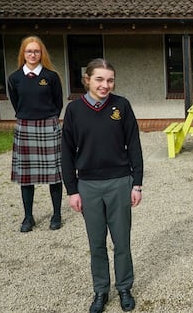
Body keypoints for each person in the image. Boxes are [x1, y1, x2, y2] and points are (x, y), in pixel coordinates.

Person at [61, 58, 143, 313]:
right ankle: (101, 290)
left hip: (119, 182)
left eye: (109, 80)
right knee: (96, 243)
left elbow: (135, 146)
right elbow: (66, 153)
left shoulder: (122, 106)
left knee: (121, 241)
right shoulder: (74, 110)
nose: (105, 85)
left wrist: (137, 183)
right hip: (88, 185)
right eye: (99, 79)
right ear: (87, 79)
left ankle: (124, 288)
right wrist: (72, 190)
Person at [7, 36, 64, 232]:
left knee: (54, 175)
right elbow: (16, 103)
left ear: (42, 54)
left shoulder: (51, 76)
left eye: (36, 51)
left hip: (48, 125)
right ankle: (28, 217)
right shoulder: (14, 78)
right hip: (25, 127)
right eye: (29, 51)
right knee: (26, 176)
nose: (32, 54)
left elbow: (58, 103)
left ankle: (56, 215)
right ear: (23, 54)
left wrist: (48, 119)